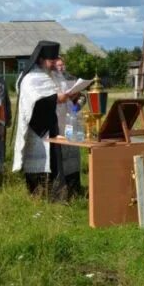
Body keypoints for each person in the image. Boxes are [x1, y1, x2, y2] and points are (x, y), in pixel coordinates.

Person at [12, 41, 74, 198]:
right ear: (41, 59)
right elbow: (34, 101)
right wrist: (56, 98)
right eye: (51, 60)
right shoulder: (31, 77)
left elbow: (61, 91)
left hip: (53, 124)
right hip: (36, 126)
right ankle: (37, 195)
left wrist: (70, 94)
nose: (54, 64)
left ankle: (57, 195)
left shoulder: (54, 75)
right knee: (38, 163)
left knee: (55, 160)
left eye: (55, 60)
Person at [53, 57, 83, 196]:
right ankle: (64, 188)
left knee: (74, 156)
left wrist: (77, 105)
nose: (61, 67)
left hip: (72, 120)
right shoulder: (50, 80)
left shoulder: (72, 78)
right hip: (58, 121)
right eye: (58, 65)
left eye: (62, 64)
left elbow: (83, 98)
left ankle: (75, 187)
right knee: (63, 157)